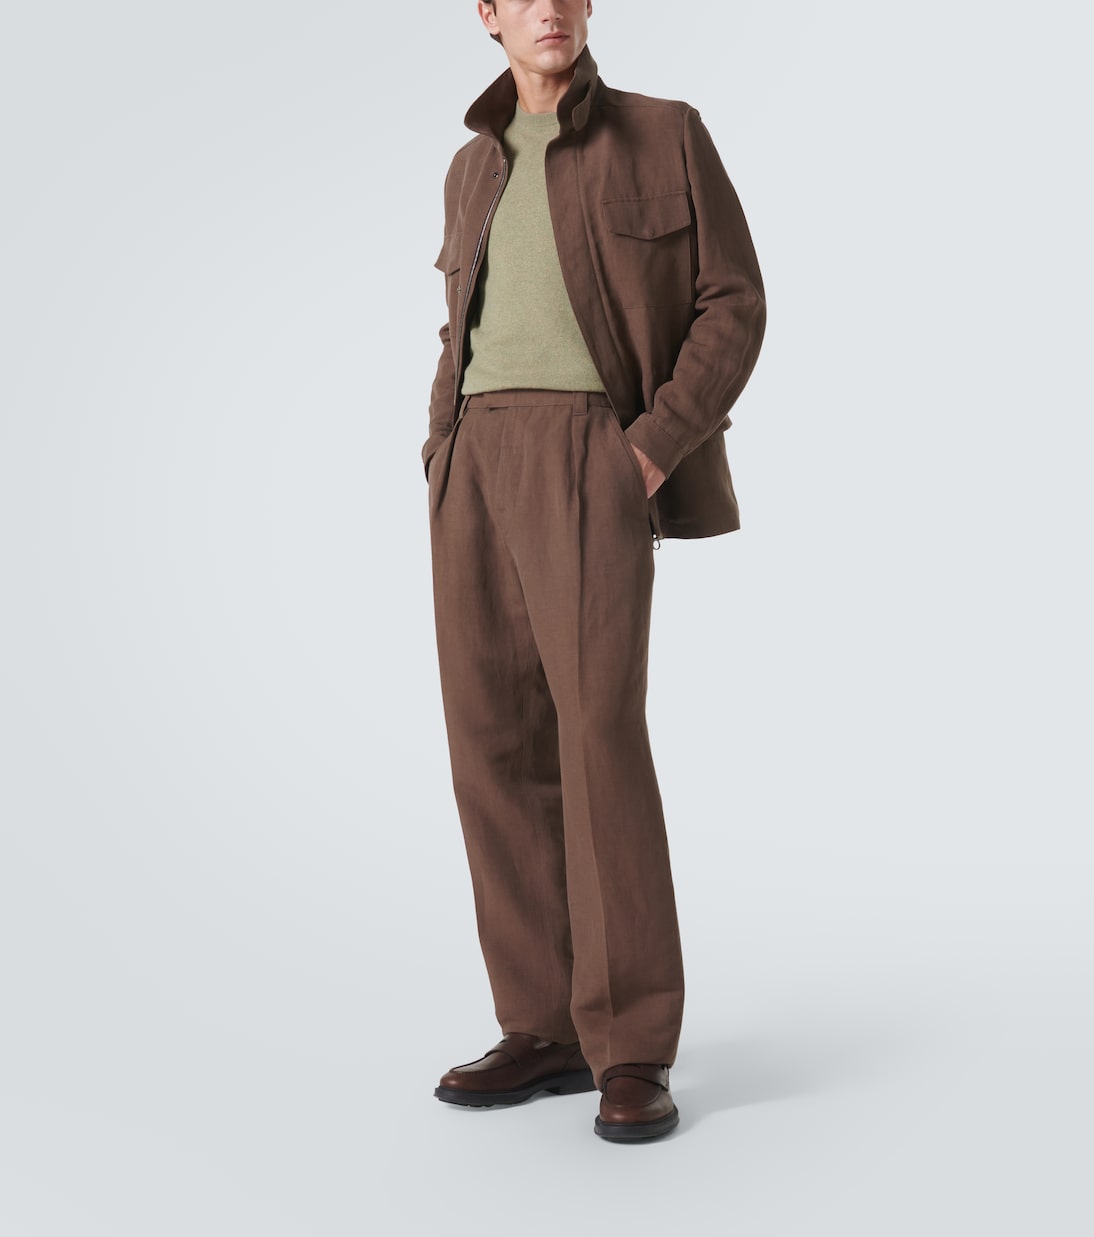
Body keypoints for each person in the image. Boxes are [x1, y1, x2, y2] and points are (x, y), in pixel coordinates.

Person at [422, 0, 765, 1142]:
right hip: (474, 460)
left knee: (596, 737)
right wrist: (441, 447)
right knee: (491, 741)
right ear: (487, 15)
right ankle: (542, 1026)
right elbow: (458, 326)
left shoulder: (663, 133)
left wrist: (648, 448)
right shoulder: (470, 167)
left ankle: (629, 1044)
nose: (549, 8)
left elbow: (733, 301)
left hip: (590, 451)